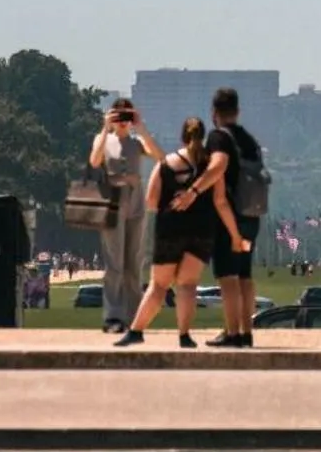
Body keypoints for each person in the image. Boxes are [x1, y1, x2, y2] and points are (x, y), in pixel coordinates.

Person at [115, 118, 244, 349]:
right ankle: (184, 335)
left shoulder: (166, 163)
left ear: (182, 137)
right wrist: (235, 234)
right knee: (187, 285)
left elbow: (151, 201)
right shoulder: (211, 168)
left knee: (158, 286)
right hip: (202, 231)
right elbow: (221, 202)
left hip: (170, 229)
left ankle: (136, 331)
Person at [172, 86, 266, 350]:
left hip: (229, 217)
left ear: (214, 113)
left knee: (227, 277)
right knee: (245, 275)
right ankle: (247, 332)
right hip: (252, 215)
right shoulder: (250, 140)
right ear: (237, 111)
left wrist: (193, 191)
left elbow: (218, 166)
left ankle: (232, 333)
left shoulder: (219, 137)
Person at [89, 100, 164, 334]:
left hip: (135, 199)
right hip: (113, 199)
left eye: (126, 117)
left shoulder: (136, 142)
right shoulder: (104, 139)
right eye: (118, 116)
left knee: (134, 261)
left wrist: (140, 127)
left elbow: (160, 156)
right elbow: (94, 161)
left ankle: (134, 317)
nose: (122, 122)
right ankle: (113, 316)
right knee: (115, 262)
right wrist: (105, 127)